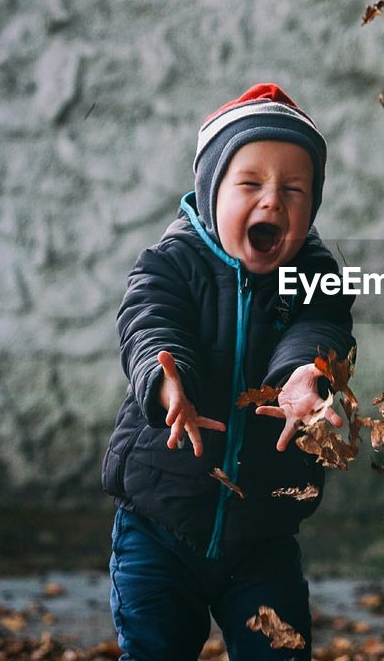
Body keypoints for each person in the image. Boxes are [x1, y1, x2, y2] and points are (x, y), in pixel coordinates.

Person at [101, 83, 355, 660]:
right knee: (154, 650)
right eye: (250, 185)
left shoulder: (314, 270)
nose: (273, 202)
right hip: (160, 520)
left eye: (295, 189)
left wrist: (306, 376)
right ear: (211, 190)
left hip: (262, 534)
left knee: (279, 653)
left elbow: (321, 327)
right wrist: (170, 386)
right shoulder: (172, 261)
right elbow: (149, 327)